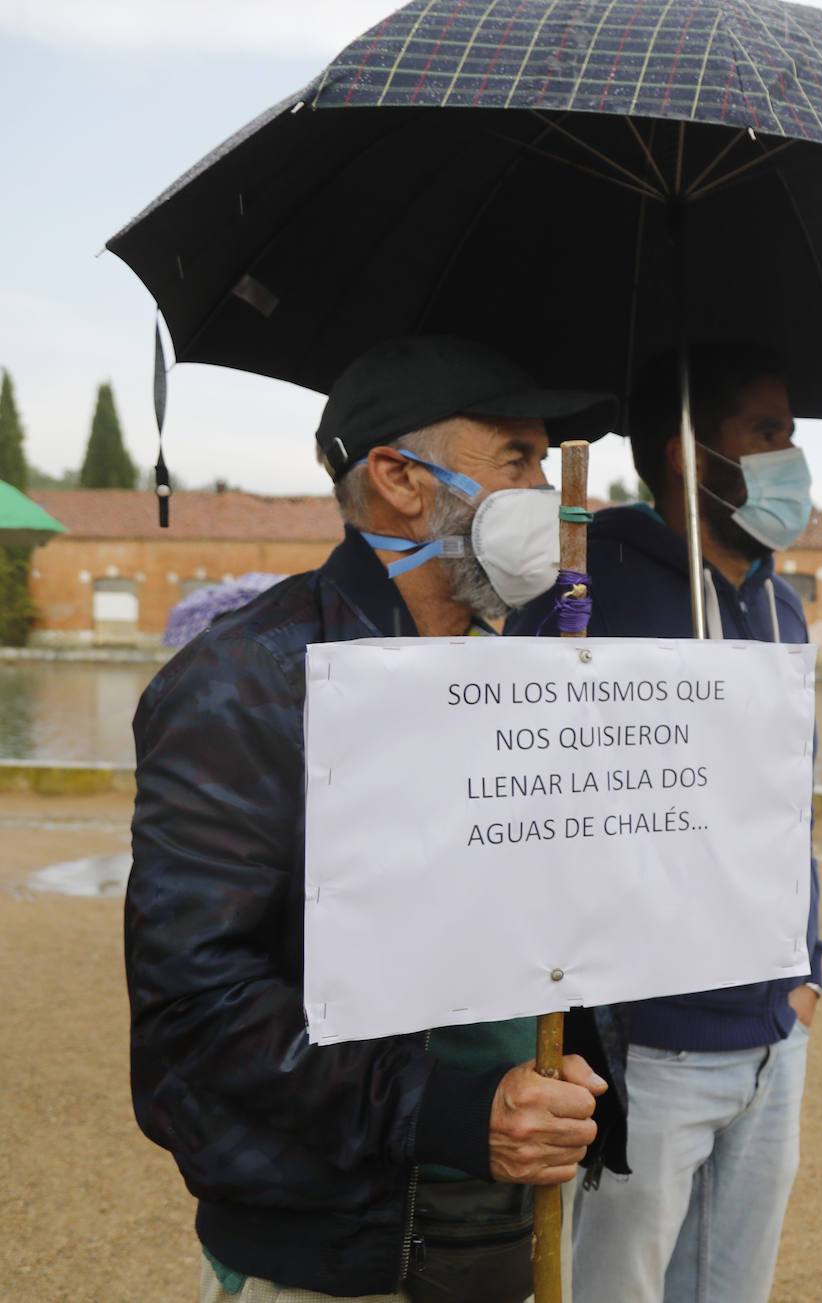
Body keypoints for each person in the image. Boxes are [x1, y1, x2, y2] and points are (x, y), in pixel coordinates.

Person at [125, 336, 627, 1303]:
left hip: (510, 1228)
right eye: (519, 458)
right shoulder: (243, 685)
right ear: (401, 478)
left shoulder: (521, 678)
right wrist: (449, 1114)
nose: (561, 498)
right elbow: (195, 1006)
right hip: (336, 1253)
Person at [506, 342, 822, 1303]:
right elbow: (530, 790)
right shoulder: (584, 590)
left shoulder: (783, 608)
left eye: (790, 435)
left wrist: (808, 967)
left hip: (775, 1030)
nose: (791, 459)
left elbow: (786, 806)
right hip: (649, 1045)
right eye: (767, 433)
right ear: (691, 449)